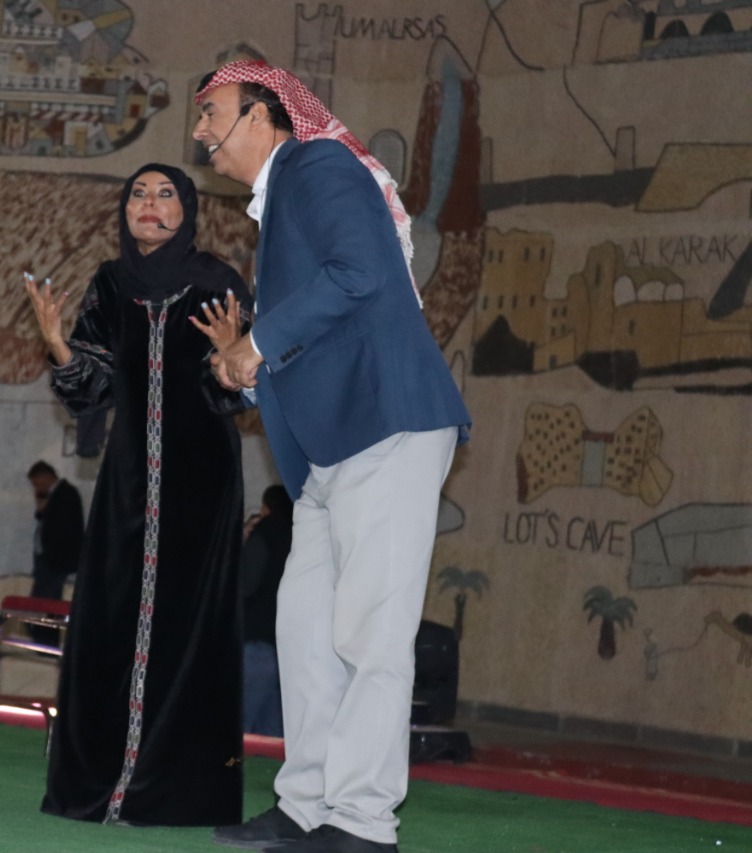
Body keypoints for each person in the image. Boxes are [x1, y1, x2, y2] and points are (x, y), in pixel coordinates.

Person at [191, 61, 471, 853]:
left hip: (387, 425)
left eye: (210, 112)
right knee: (307, 632)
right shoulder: (286, 198)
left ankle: (362, 821)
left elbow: (363, 273)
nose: (200, 131)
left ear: (262, 115)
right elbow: (318, 331)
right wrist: (250, 366)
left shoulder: (316, 165)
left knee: (371, 634)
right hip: (329, 454)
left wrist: (258, 342)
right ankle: (307, 804)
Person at [24, 163, 251, 827]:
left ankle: (172, 790)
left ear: (187, 209)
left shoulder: (215, 282)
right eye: (138, 195)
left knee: (188, 630)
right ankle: (102, 782)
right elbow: (91, 387)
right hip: (127, 481)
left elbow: (237, 393)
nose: (150, 204)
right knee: (110, 622)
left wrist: (231, 359)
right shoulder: (111, 283)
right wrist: (58, 346)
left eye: (166, 194)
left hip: (200, 483)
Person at [241, 483, 292, 738]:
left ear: (266, 508)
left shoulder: (265, 532)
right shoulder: (300, 536)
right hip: (287, 651)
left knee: (240, 731)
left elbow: (246, 584)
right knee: (272, 737)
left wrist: (243, 544)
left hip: (256, 646)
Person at [25, 460, 84, 644]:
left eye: (36, 482)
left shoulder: (66, 494)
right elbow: (45, 521)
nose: (36, 487)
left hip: (55, 563)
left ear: (45, 476)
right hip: (49, 561)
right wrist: (41, 507)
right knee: (41, 603)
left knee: (46, 605)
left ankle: (45, 643)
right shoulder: (56, 495)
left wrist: (49, 558)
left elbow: (61, 530)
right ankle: (42, 640)